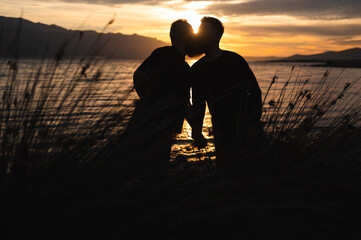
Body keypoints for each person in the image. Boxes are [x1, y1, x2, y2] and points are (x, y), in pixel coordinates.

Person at [188, 17, 265, 171]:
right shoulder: (197, 69)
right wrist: (197, 132)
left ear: (215, 36)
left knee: (258, 171)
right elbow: (198, 105)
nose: (199, 35)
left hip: (247, 128)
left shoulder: (234, 60)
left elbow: (255, 92)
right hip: (222, 133)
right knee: (227, 174)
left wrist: (253, 123)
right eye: (199, 31)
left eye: (204, 32)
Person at [122, 19, 194, 180]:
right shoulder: (181, 67)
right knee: (154, 173)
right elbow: (184, 104)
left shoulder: (161, 53)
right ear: (184, 37)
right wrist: (196, 131)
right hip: (161, 127)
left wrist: (147, 99)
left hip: (142, 119)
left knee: (130, 169)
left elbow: (138, 75)